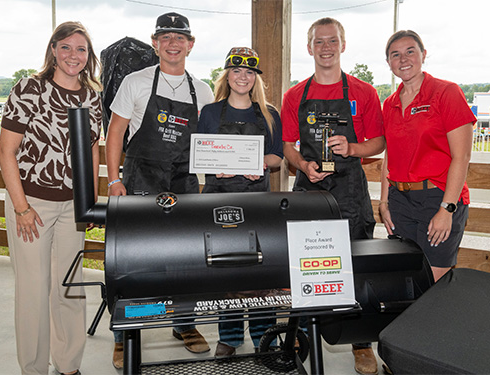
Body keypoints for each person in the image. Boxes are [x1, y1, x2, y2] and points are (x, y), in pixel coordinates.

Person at [105, 12, 214, 368]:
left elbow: (208, 143)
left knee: (186, 258)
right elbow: (115, 133)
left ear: (190, 45)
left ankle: (185, 325)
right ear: (155, 43)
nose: (172, 43)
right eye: (165, 36)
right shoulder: (135, 82)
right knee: (132, 259)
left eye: (179, 37)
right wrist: (114, 179)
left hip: (184, 182)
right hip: (140, 179)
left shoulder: (203, 89)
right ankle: (124, 334)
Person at [281, 18, 385, 375]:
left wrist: (353, 147)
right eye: (319, 42)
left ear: (343, 45)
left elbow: (380, 142)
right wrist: (302, 165)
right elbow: (288, 145)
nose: (326, 47)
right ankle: (298, 332)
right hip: (309, 188)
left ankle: (361, 343)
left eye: (332, 41)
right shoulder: (295, 95)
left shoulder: (364, 92)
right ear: (309, 48)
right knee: (303, 261)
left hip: (350, 190)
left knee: (356, 261)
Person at [0, 21, 102, 375]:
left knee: (70, 287)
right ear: (54, 49)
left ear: (89, 57)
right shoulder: (29, 88)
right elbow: (5, 151)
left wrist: (90, 201)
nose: (74, 55)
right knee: (33, 292)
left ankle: (69, 365)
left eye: (81, 49)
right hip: (33, 206)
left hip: (74, 206)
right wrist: (21, 207)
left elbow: (92, 151)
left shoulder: (91, 95)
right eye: (67, 47)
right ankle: (33, 368)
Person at [197, 47, 283, 356]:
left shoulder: (269, 113)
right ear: (227, 75)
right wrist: (212, 164)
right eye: (236, 71)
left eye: (249, 72)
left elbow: (277, 157)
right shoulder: (210, 113)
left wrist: (258, 163)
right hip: (218, 200)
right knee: (225, 269)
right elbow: (200, 153)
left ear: (256, 77)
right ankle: (229, 337)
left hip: (257, 200)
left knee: (261, 269)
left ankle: (266, 336)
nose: (242, 77)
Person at [379, 30, 476, 283]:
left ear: (423, 54)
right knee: (405, 280)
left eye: (410, 51)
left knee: (432, 283)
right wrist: (384, 202)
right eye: (395, 55)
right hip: (401, 200)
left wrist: (447, 209)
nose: (403, 59)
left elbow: (462, 155)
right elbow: (390, 155)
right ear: (388, 63)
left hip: (438, 197)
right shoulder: (389, 103)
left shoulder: (446, 92)